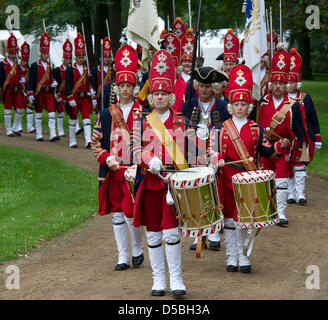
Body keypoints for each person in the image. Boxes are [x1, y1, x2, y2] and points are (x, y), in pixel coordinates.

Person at [209, 64, 290, 273]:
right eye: (236, 104)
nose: (239, 107)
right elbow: (211, 150)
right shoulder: (220, 128)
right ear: (231, 105)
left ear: (249, 107)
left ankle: (243, 255)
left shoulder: (257, 130)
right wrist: (216, 157)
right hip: (226, 178)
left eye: (244, 104)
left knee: (244, 220)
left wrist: (279, 147)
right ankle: (231, 256)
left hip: (247, 180)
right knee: (228, 219)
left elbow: (266, 152)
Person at [130, 49, 187, 297]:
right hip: (150, 183)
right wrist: (146, 158)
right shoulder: (141, 120)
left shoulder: (183, 122)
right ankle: (158, 280)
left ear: (171, 96)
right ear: (151, 97)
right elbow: (132, 149)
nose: (160, 97)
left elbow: (194, 154)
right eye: (156, 94)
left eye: (164, 93)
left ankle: (176, 279)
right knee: (153, 232)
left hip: (172, 185)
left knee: (171, 231)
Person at [91, 44, 144, 272]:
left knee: (131, 212)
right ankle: (122, 254)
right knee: (116, 214)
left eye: (128, 86)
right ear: (116, 87)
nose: (125, 89)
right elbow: (95, 143)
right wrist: (106, 159)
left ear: (134, 87)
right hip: (113, 171)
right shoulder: (105, 113)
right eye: (121, 85)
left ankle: (138, 249)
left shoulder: (143, 112)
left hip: (134, 171)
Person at [181, 66, 230, 251]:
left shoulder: (223, 106)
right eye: (201, 86)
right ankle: (197, 233)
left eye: (208, 86)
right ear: (196, 86)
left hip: (215, 154)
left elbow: (228, 130)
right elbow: (181, 127)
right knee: (196, 191)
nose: (204, 90)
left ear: (214, 87)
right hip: (194, 152)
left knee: (214, 191)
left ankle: (214, 232)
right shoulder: (189, 105)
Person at [257, 47, 304, 225]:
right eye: (275, 82)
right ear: (271, 84)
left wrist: (292, 144)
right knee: (264, 179)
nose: (278, 86)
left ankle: (280, 212)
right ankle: (265, 210)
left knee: (282, 180)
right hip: (265, 148)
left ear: (286, 85)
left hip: (283, 149)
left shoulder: (293, 105)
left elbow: (298, 130)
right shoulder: (263, 102)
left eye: (281, 83)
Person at [287, 48, 322, 205]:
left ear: (297, 82)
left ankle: (300, 193)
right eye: (287, 82)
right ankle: (290, 193)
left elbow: (313, 118)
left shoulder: (305, 97)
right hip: (286, 138)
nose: (289, 85)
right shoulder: (280, 99)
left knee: (300, 167)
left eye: (292, 82)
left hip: (303, 138)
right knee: (287, 166)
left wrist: (317, 137)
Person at [27, 31, 59, 142]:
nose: (46, 56)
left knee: (51, 112)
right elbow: (31, 81)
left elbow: (52, 78)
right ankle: (39, 134)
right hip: (39, 92)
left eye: (47, 54)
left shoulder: (51, 65)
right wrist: (30, 92)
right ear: (41, 53)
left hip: (49, 92)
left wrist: (54, 82)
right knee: (39, 113)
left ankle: (53, 134)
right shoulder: (35, 65)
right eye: (44, 54)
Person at [65, 33, 92, 148]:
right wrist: (70, 97)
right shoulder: (71, 69)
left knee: (86, 118)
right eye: (79, 57)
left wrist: (91, 91)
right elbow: (68, 85)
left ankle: (88, 140)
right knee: (73, 118)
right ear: (76, 57)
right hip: (74, 97)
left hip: (85, 97)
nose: (81, 59)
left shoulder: (86, 69)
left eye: (83, 57)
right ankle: (72, 141)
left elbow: (88, 83)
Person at [0, 33, 25, 137]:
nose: (14, 55)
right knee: (7, 110)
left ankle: (15, 128)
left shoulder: (17, 65)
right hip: (8, 89)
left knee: (20, 108)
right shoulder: (2, 64)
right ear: (8, 52)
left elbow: (20, 76)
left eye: (15, 53)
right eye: (12, 53)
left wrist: (22, 79)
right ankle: (8, 130)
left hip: (17, 89)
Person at [53, 38, 74, 138]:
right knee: (60, 112)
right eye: (66, 59)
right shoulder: (57, 70)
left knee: (73, 111)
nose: (68, 61)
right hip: (61, 94)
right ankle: (60, 130)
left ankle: (75, 129)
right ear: (63, 59)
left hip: (70, 93)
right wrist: (56, 93)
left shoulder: (73, 70)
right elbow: (56, 83)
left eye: (70, 59)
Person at [90, 37, 114, 111]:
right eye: (105, 57)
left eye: (108, 57)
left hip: (111, 95)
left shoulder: (113, 69)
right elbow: (93, 83)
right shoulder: (95, 70)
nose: (107, 59)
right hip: (99, 95)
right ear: (101, 58)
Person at [19, 41, 35, 134]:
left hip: (28, 91)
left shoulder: (30, 69)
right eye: (23, 60)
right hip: (19, 91)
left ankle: (29, 126)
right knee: (20, 108)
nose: (25, 62)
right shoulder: (17, 68)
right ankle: (19, 126)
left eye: (26, 61)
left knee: (29, 108)